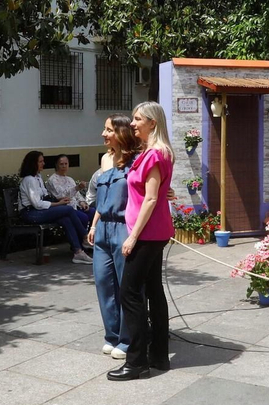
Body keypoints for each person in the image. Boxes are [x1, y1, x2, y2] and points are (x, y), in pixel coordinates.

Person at [109, 102, 174, 382]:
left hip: (146, 234)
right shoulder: (153, 153)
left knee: (130, 293)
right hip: (154, 231)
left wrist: (133, 236)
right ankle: (158, 355)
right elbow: (156, 191)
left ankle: (137, 362)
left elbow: (149, 198)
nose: (133, 124)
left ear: (153, 123)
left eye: (138, 119)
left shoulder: (154, 155)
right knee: (154, 291)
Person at [85, 116, 138, 362]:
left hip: (123, 229)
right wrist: (94, 224)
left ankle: (128, 339)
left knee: (125, 287)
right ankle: (112, 335)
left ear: (121, 132)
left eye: (108, 130)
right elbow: (102, 199)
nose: (103, 134)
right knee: (104, 283)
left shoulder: (135, 161)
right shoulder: (106, 159)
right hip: (103, 227)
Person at [18, 151, 92, 264]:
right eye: (41, 161)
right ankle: (85, 237)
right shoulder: (29, 180)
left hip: (40, 210)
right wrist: (58, 204)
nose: (43, 163)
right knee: (67, 209)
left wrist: (59, 202)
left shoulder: (37, 177)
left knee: (65, 218)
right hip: (30, 213)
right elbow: (37, 204)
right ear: (33, 163)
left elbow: (45, 196)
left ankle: (78, 252)